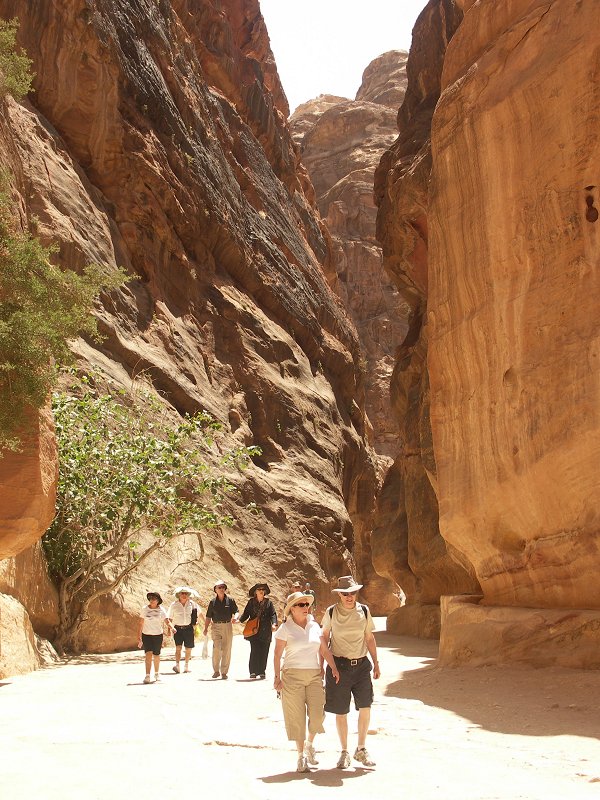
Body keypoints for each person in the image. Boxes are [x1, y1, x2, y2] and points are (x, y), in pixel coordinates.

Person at [273, 591, 340, 772]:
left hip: (313, 675)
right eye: (301, 604)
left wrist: (333, 667)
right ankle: (300, 757)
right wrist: (277, 678)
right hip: (291, 676)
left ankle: (309, 744)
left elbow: (324, 649)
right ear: (292, 609)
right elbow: (277, 654)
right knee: (297, 718)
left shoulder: (314, 626)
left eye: (306, 604)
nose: (305, 607)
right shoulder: (285, 628)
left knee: (318, 715)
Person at [320, 575, 380, 769]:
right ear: (339, 595)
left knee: (365, 706)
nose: (349, 597)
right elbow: (323, 639)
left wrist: (376, 662)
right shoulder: (331, 612)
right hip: (339, 667)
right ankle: (344, 751)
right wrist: (323, 665)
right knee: (341, 711)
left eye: (352, 593)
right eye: (345, 594)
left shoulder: (364, 611)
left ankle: (361, 748)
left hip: (361, 666)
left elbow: (369, 638)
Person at [239, 582, 277, 679]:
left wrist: (274, 624)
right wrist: (239, 620)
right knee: (255, 650)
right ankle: (253, 671)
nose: (261, 591)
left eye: (263, 590)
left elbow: (273, 614)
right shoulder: (251, 602)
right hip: (254, 630)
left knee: (264, 650)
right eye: (259, 589)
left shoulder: (269, 603)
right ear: (255, 592)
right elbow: (246, 613)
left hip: (266, 630)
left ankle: (262, 671)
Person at [203, 579, 239, 679]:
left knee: (227, 649)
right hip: (216, 626)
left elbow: (236, 611)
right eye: (219, 587)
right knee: (217, 648)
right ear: (215, 589)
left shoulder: (230, 600)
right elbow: (208, 616)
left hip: (227, 626)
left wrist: (235, 617)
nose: (221, 589)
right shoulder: (212, 602)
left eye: (223, 587)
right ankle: (216, 671)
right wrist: (205, 628)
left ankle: (224, 672)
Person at [137, 591, 174, 684]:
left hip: (158, 634)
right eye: (150, 598)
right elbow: (141, 622)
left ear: (158, 601)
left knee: (156, 655)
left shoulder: (161, 609)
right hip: (146, 634)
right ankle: (147, 676)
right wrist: (139, 635)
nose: (152, 600)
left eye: (154, 598)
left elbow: (167, 621)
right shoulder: (144, 609)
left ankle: (157, 674)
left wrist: (172, 628)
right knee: (148, 654)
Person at [168, 585, 203, 674]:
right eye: (182, 593)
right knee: (178, 648)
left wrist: (205, 623)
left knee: (188, 648)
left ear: (188, 595)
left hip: (189, 628)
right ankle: (177, 665)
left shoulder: (193, 604)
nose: (184, 595)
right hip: (177, 629)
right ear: (179, 595)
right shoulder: (174, 605)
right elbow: (170, 618)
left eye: (186, 593)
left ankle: (186, 666)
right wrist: (169, 630)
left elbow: (199, 614)